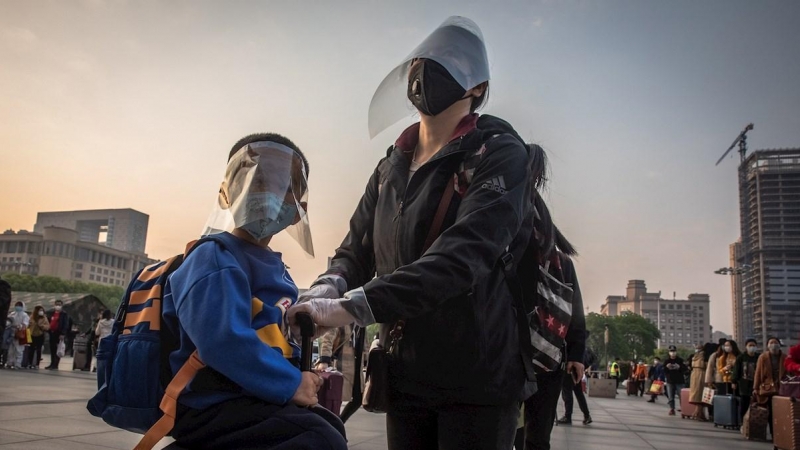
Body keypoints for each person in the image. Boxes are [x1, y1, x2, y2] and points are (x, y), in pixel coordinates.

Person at [289, 16, 536, 450]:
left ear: (477, 87)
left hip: (476, 377)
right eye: (421, 59)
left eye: (451, 60)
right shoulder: (391, 165)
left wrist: (352, 307)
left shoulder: (499, 155)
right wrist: (328, 286)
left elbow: (462, 258)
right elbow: (356, 249)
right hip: (405, 374)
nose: (427, 69)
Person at [157, 133, 346, 449]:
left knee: (327, 427)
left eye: (283, 188)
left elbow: (275, 339)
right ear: (227, 192)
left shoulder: (279, 272)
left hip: (253, 399)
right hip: (215, 403)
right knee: (319, 439)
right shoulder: (213, 257)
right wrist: (289, 383)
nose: (269, 195)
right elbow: (221, 340)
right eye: (257, 182)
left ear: (298, 208)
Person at [519, 145, 585, 450]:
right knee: (535, 436)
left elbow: (575, 311)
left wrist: (576, 355)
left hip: (512, 355)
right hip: (548, 358)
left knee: (518, 434)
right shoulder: (560, 262)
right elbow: (575, 312)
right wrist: (574, 356)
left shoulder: (511, 241)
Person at [753, 337, 786, 439]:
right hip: (767, 389)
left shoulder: (784, 357)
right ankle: (772, 433)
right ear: (767, 345)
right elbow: (758, 373)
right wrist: (755, 388)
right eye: (771, 343)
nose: (773, 345)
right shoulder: (763, 357)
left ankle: (779, 433)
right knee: (769, 412)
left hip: (781, 388)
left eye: (775, 343)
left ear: (779, 345)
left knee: (780, 413)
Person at [557, 344, 593, 426]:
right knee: (579, 393)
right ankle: (587, 415)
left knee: (567, 392)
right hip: (576, 369)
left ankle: (567, 416)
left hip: (569, 368)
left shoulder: (569, 338)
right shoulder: (579, 341)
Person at [732, 338, 759, 422]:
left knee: (756, 403)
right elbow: (736, 370)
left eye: (754, 345)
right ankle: (743, 422)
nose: (752, 347)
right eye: (750, 345)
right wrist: (734, 381)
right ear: (746, 346)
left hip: (756, 384)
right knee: (744, 403)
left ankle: (755, 421)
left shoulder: (759, 357)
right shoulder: (741, 357)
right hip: (744, 384)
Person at [663, 345, 688, 416]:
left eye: (674, 351)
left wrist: (679, 367)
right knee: (670, 396)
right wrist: (666, 367)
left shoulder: (680, 360)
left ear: (676, 352)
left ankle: (683, 409)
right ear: (669, 352)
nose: (672, 353)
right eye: (671, 351)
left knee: (681, 396)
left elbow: (685, 370)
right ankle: (672, 409)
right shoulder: (667, 361)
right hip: (670, 381)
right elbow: (664, 371)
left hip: (679, 380)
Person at [45, 300, 70, 370]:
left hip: (59, 333)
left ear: (61, 306)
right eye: (56, 304)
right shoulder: (52, 313)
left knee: (58, 349)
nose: (57, 306)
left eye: (59, 305)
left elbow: (65, 324)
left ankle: (55, 364)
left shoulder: (64, 314)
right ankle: (52, 363)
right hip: (52, 332)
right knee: (52, 348)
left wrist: (63, 333)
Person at [6, 301, 29, 369]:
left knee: (19, 350)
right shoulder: (12, 313)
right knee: (10, 350)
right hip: (11, 332)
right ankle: (9, 362)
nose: (18, 307)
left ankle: (18, 364)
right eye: (17, 305)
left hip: (20, 333)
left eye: (19, 305)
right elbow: (8, 321)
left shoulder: (25, 315)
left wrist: (20, 326)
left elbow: (25, 324)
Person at [688, 343, 709, 421]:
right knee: (697, 393)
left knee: (700, 393)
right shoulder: (695, 356)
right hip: (695, 375)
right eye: (696, 347)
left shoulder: (703, 356)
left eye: (699, 348)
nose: (697, 349)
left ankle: (698, 413)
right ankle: (698, 413)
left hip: (700, 375)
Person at [93, 309, 113, 384]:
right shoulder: (113, 321)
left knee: (100, 356)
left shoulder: (100, 322)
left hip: (102, 341)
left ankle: (97, 367)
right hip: (110, 340)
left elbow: (97, 332)